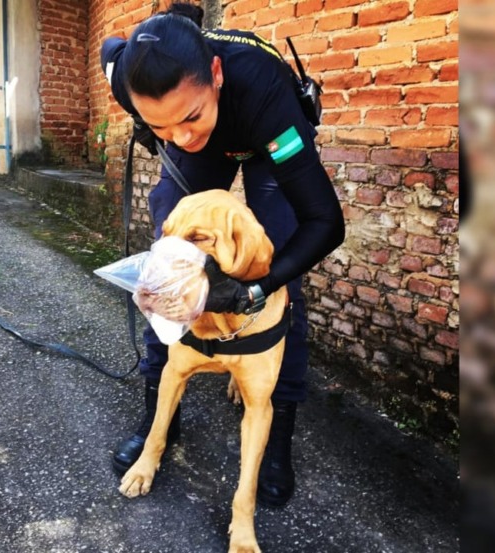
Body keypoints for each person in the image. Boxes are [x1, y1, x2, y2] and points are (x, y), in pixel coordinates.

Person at [101, 4, 345, 508]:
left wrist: (255, 288)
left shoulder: (264, 94)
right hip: (207, 138)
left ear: (214, 74)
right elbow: (112, 51)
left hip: (262, 137)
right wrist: (171, 127)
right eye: (161, 124)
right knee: (167, 271)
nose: (181, 136)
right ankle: (157, 421)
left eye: (188, 117)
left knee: (279, 273)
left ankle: (277, 439)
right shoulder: (127, 79)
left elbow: (327, 223)